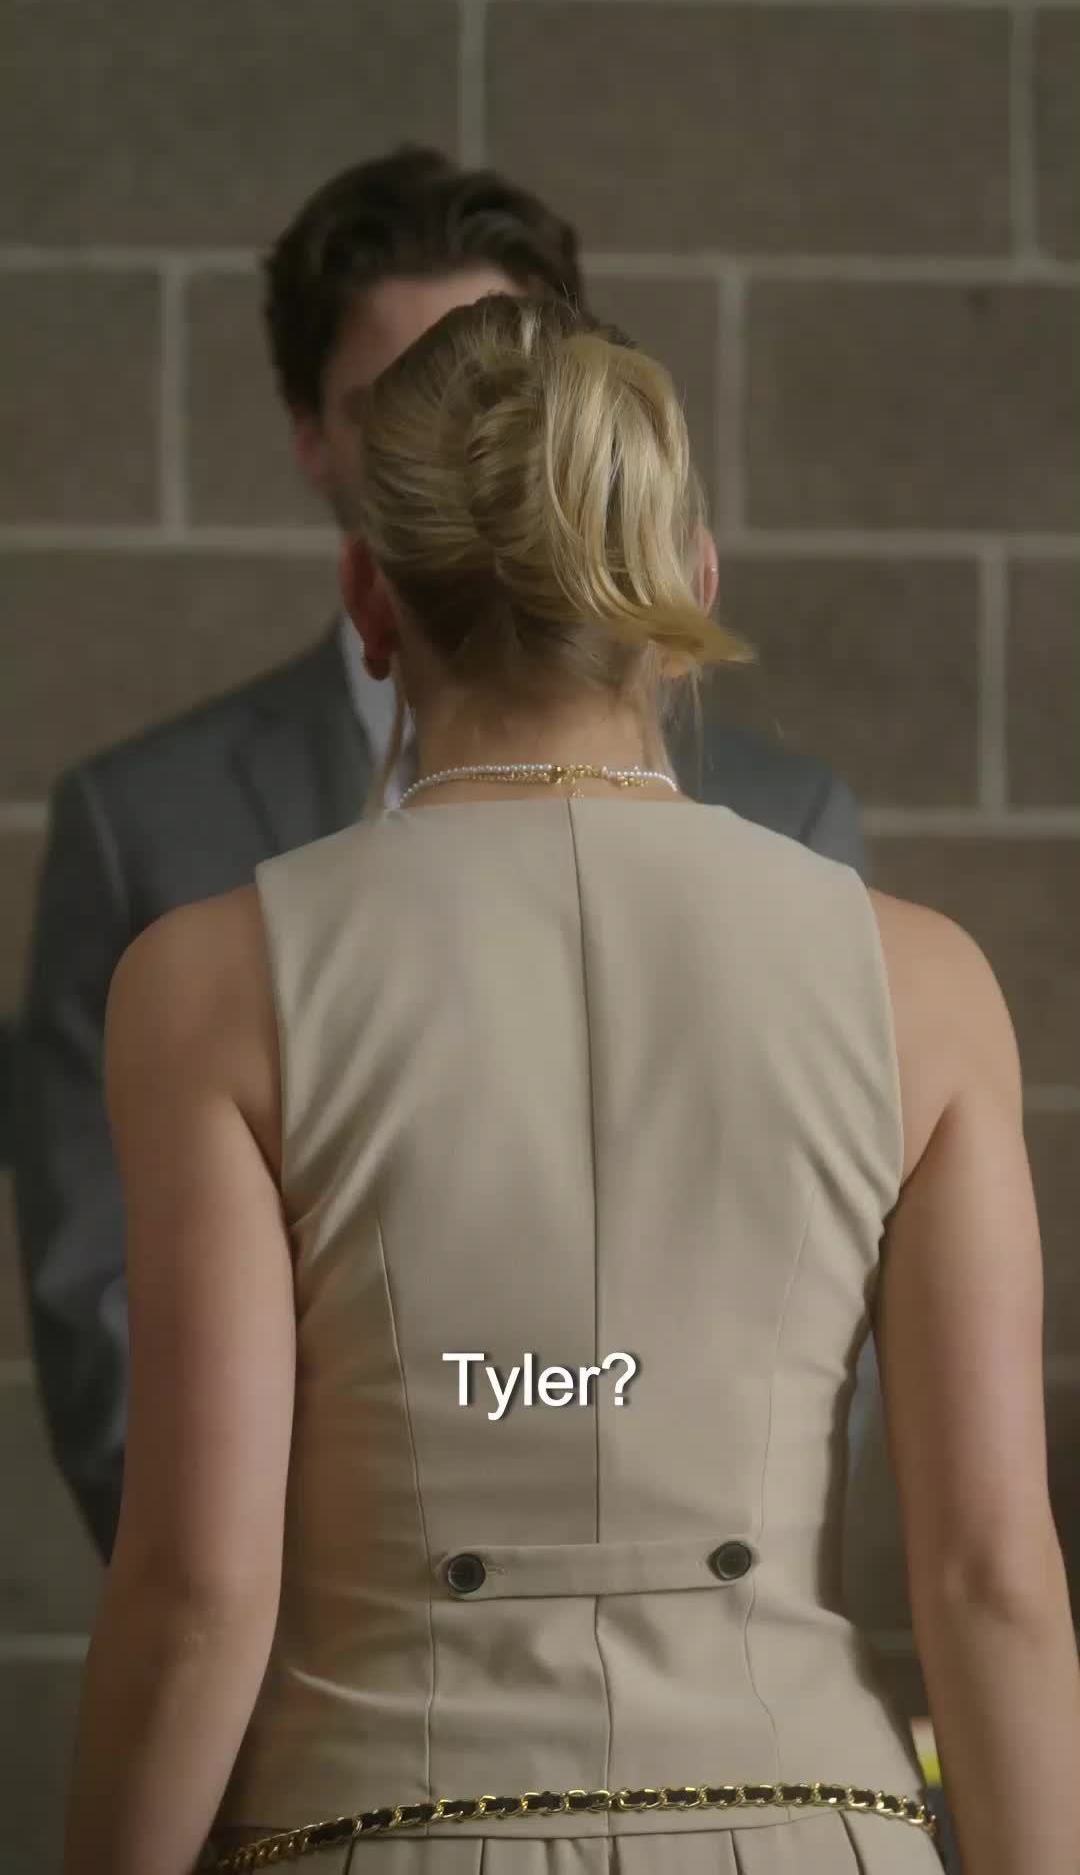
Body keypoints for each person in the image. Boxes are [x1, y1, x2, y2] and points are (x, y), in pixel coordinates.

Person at [62, 296, 1078, 1875]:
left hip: (382, 1825)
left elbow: (200, 1589)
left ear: (371, 598)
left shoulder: (205, 988)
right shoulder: (926, 984)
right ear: (690, 587)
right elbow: (992, 1576)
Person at [13, 147, 865, 1566]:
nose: (467, 451)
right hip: (305, 1632)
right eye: (396, 404)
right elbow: (99, 1294)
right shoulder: (140, 825)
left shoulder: (799, 832)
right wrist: (287, 1603)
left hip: (699, 1609)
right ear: (315, 442)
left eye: (500, 393)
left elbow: (835, 1319)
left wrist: (709, 1580)